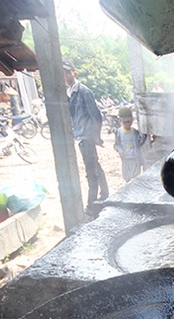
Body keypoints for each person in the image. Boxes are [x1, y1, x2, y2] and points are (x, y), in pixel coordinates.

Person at [62, 60, 108, 211]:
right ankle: (105, 194)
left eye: (67, 72)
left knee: (91, 170)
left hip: (86, 135)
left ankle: (92, 204)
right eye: (63, 73)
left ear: (74, 73)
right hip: (81, 134)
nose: (65, 76)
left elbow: (96, 115)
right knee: (95, 164)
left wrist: (96, 136)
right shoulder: (69, 92)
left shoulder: (83, 91)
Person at [113, 106, 148, 181]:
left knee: (134, 179)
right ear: (120, 121)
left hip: (135, 160)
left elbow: (140, 143)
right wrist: (119, 150)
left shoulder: (135, 132)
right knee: (126, 178)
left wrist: (144, 136)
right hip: (125, 160)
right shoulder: (118, 132)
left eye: (128, 122)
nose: (126, 124)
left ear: (132, 121)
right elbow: (116, 145)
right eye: (124, 122)